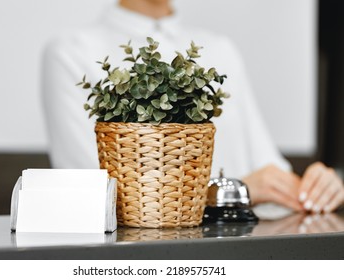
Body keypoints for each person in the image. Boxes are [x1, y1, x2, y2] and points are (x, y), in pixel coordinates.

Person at [42, 0, 344, 214]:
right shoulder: (73, 52)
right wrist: (231, 191)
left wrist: (317, 186)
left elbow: (271, 173)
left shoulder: (220, 49)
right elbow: (92, 195)